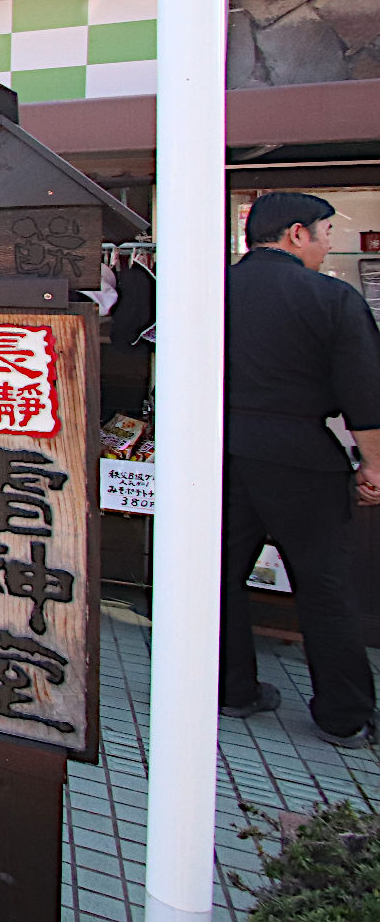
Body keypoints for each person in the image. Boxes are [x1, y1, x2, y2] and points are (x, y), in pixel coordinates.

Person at [220, 191, 380, 748]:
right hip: (300, 455)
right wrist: (374, 466)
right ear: (296, 234)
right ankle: (344, 715)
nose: (328, 243)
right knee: (323, 586)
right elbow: (366, 397)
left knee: (217, 576)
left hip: (217, 452)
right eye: (326, 232)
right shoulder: (331, 298)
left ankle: (230, 688)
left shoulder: (209, 293)